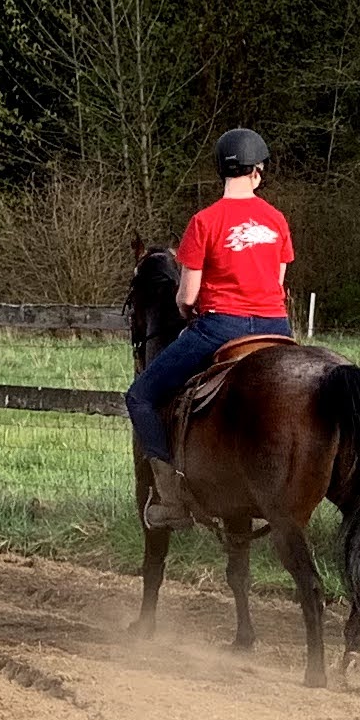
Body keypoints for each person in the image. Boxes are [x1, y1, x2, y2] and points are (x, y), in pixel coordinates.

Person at [126, 129, 299, 524]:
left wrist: (189, 312)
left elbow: (187, 297)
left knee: (140, 397)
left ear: (222, 170)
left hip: (222, 327)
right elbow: (277, 282)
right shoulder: (276, 220)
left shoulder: (204, 221)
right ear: (257, 172)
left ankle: (170, 500)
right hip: (276, 328)